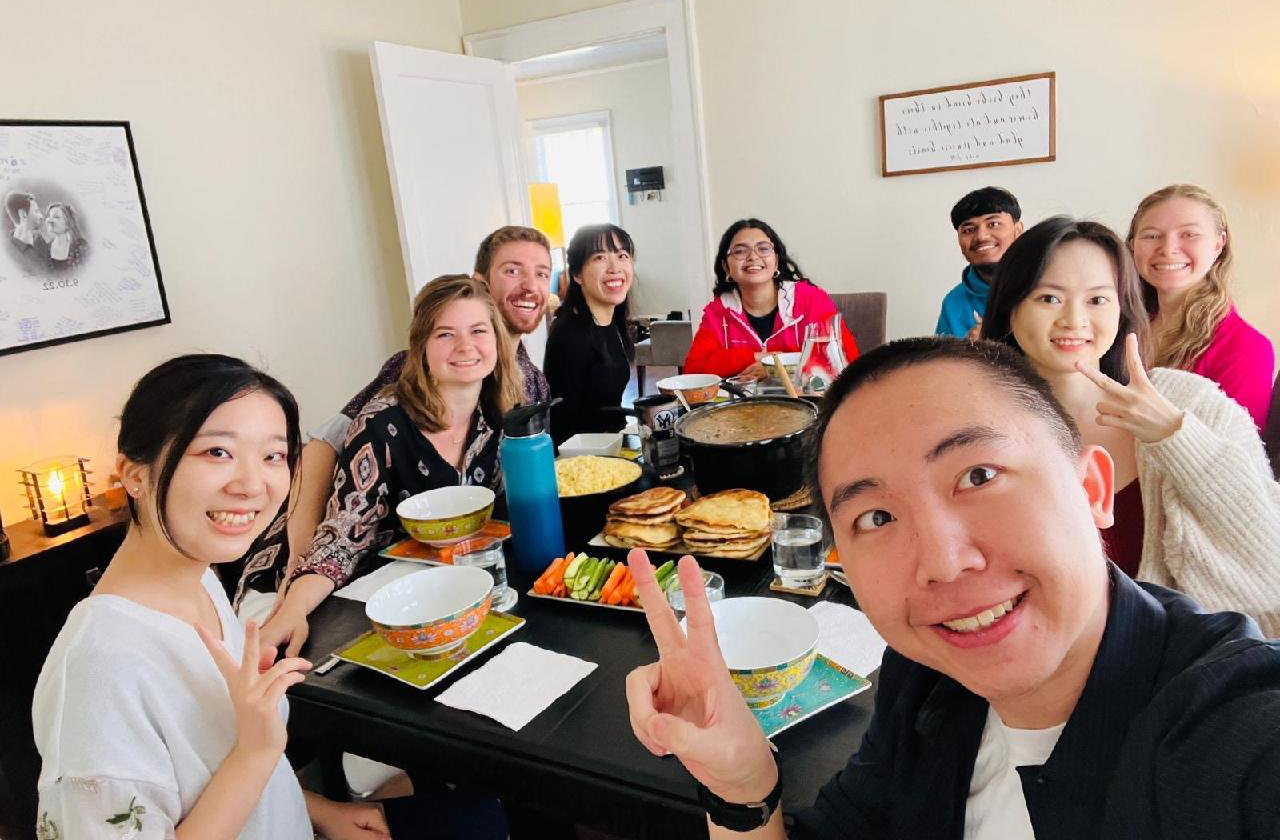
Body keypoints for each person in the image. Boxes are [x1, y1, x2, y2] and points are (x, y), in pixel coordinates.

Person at [624, 337, 1280, 839]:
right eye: (875, 516)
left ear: (1091, 490)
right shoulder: (926, 684)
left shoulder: (1229, 731)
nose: (941, 561)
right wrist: (744, 787)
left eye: (980, 475)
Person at [30, 355, 402, 837]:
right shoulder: (98, 669)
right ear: (134, 474)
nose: (252, 484)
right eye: (217, 453)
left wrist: (318, 811)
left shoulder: (200, 579)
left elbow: (208, 766)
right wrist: (258, 751)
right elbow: (246, 749)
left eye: (272, 456)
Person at [981, 216, 1280, 634]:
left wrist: (1175, 437)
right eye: (1048, 298)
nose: (1073, 320)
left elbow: (1270, 562)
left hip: (1192, 663)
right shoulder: (978, 428)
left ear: (1123, 310)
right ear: (1011, 308)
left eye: (1098, 300)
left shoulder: (1189, 403)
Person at [237, 226, 553, 612]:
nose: (529, 286)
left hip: (447, 577)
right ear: (481, 282)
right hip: (344, 572)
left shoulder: (527, 386)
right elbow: (323, 448)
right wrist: (298, 568)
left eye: (541, 272)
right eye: (512, 270)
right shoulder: (403, 381)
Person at [255, 275, 523, 655]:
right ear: (421, 348)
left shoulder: (501, 418)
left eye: (478, 330)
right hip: (354, 588)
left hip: (451, 590)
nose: (465, 346)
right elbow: (342, 537)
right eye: (445, 334)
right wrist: (292, 611)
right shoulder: (382, 424)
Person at [1127, 184, 1275, 431]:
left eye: (1189, 235)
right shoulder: (1119, 324)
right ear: (1132, 245)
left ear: (1219, 245)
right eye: (1151, 235)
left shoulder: (1247, 348)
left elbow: (1239, 460)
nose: (1168, 248)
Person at [684, 218, 858, 380]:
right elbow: (693, 371)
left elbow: (845, 359)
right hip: (741, 408)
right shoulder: (717, 311)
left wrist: (776, 366)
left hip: (806, 403)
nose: (753, 256)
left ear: (775, 262)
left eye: (763, 248)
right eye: (740, 251)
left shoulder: (811, 300)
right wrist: (757, 356)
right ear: (726, 268)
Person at [543, 223, 636, 446]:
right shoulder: (569, 336)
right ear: (577, 274)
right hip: (585, 462)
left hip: (613, 446)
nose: (615, 267)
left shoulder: (613, 325)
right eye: (600, 258)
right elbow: (564, 426)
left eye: (622, 255)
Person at [936, 187, 1024, 339]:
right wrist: (969, 353)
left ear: (1018, 230)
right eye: (969, 230)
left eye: (994, 224)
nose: (981, 236)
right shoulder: (954, 302)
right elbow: (940, 361)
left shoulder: (1047, 284)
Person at [41, 201, 87, 268]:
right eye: (48, 216)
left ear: (68, 223)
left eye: (56, 217)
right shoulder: (46, 249)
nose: (50, 220)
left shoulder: (81, 246)